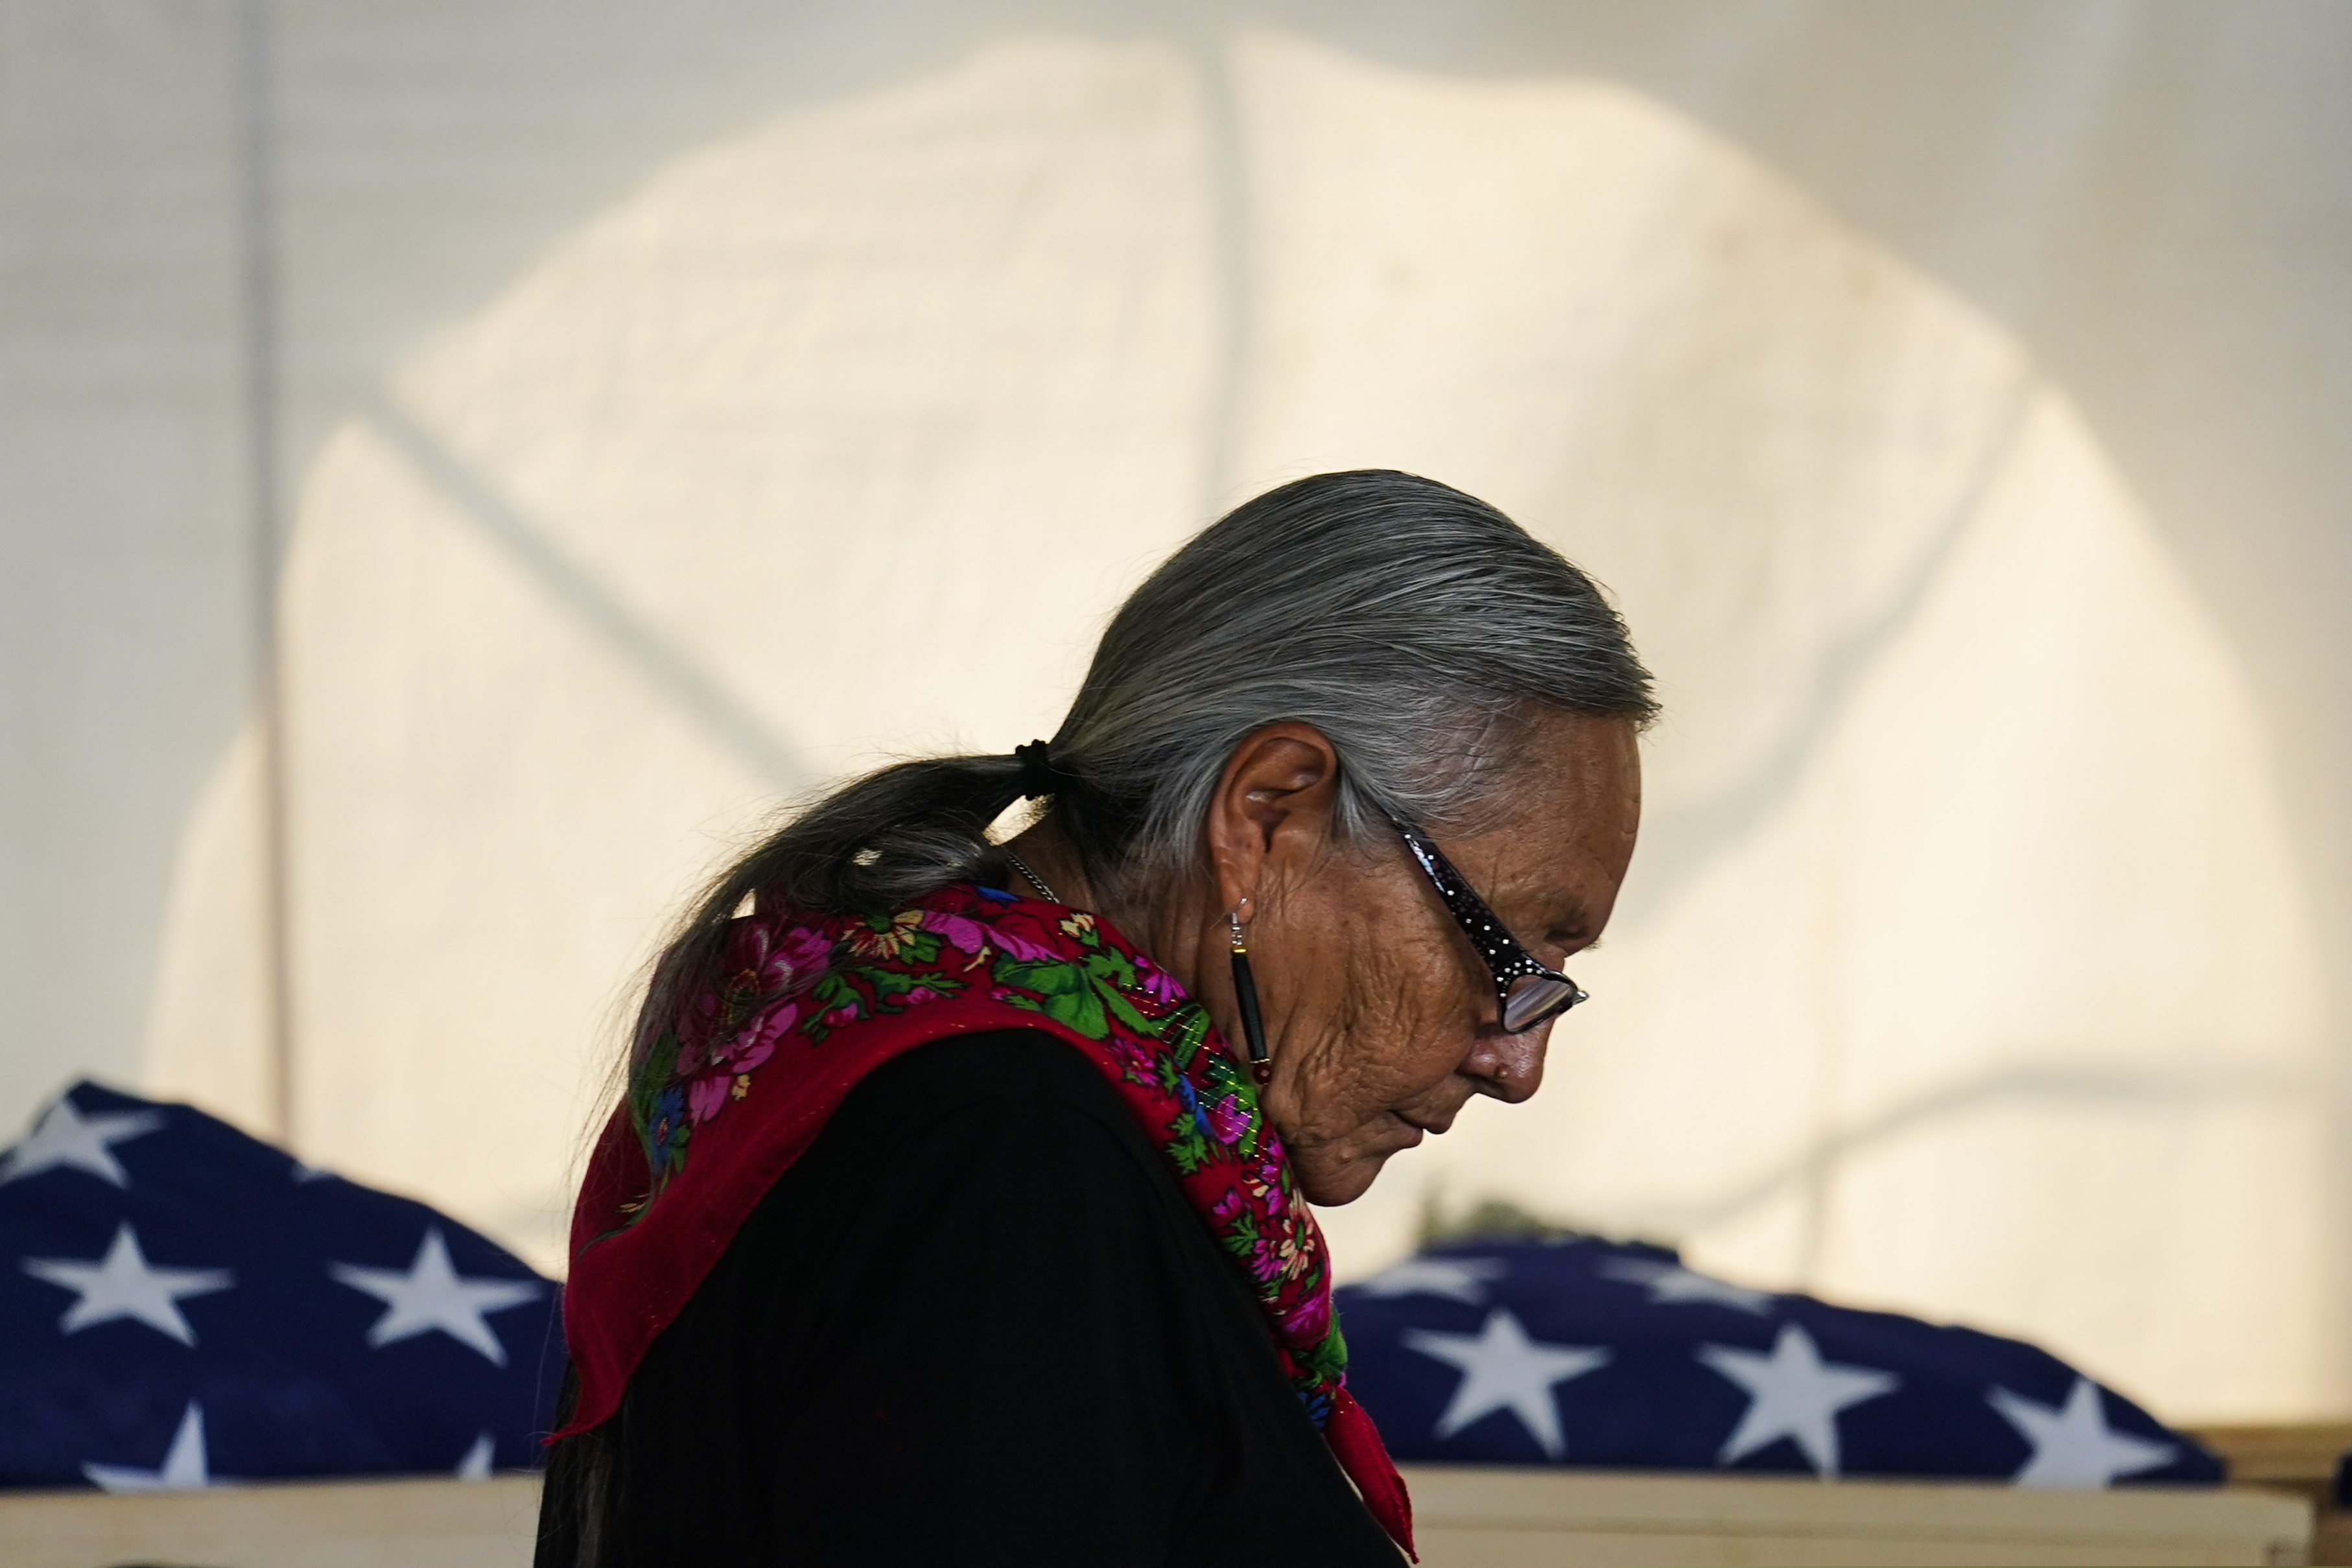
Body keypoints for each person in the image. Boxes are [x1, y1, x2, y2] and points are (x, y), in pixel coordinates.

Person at [535, 469, 1654, 1566]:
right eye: (1512, 947)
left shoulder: (892, 1053)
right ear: (1267, 818)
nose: (1518, 1060)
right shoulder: (1006, 1153)